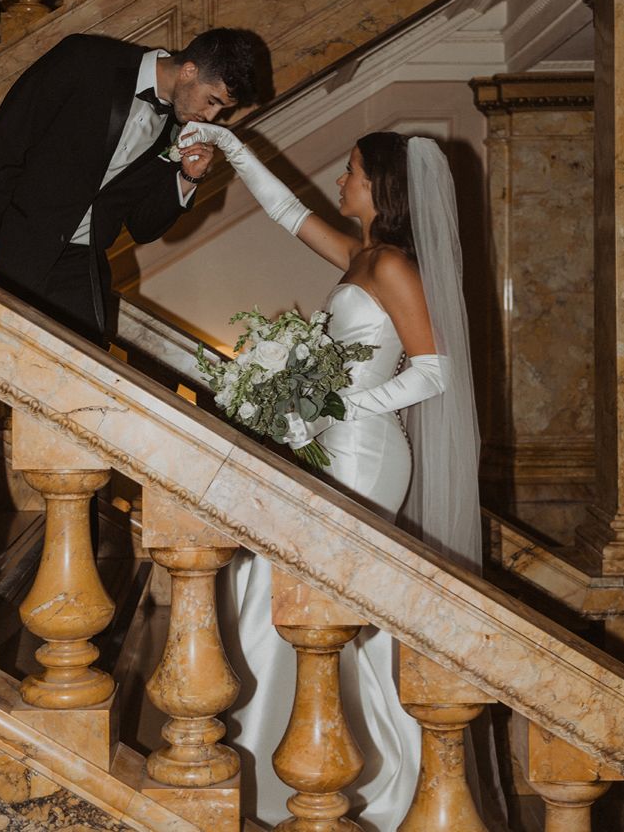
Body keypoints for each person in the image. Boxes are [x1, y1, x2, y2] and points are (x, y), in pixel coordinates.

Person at [178, 123, 483, 829]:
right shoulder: (363, 257)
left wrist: (335, 402)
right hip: (332, 443)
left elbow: (434, 372)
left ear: (381, 187)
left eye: (350, 172)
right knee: (298, 595)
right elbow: (288, 214)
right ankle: (287, 758)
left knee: (329, 602)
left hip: (363, 453)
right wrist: (232, 148)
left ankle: (377, 776)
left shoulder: (395, 267)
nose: (340, 182)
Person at [0, 28, 263, 342]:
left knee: (82, 376)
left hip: (81, 268)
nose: (211, 116)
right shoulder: (86, 57)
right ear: (188, 71)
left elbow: (142, 226)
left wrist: (188, 177)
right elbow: (9, 138)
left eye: (220, 109)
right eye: (212, 101)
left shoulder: (177, 131)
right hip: (13, 243)